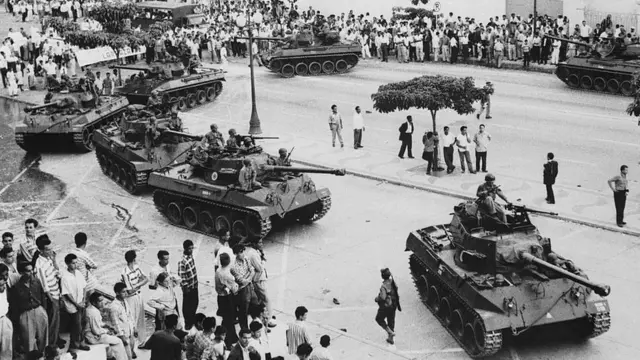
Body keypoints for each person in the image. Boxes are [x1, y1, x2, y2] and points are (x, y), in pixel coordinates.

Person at [10, 261, 49, 353]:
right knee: (28, 340)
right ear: (21, 273)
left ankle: (43, 355)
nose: (31, 273)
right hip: (26, 313)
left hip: (39, 310)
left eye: (32, 270)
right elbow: (15, 305)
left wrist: (44, 310)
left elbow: (42, 296)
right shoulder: (16, 287)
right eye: (28, 271)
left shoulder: (37, 281)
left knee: (43, 337)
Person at [84, 292, 127, 360]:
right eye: (100, 301)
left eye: (102, 300)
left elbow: (98, 323)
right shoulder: (93, 312)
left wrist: (108, 327)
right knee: (119, 341)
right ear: (94, 302)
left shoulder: (91, 309)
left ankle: (111, 357)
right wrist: (107, 331)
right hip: (93, 337)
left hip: (93, 335)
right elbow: (96, 331)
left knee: (113, 337)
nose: (102, 303)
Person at [61, 253, 90, 351]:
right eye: (73, 263)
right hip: (74, 306)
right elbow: (66, 294)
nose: (75, 265)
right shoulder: (65, 277)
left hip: (82, 303)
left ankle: (81, 342)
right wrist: (77, 304)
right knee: (76, 325)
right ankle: (73, 345)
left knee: (83, 323)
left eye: (76, 263)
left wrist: (84, 300)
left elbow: (84, 287)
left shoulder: (78, 273)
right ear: (67, 264)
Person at [121, 250, 149, 350]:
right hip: (131, 298)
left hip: (138, 295)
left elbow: (146, 279)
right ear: (134, 259)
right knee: (131, 321)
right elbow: (129, 291)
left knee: (140, 319)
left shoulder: (136, 268)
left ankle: (142, 342)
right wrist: (139, 284)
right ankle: (131, 347)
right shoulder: (125, 273)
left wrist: (136, 285)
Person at [106, 282, 135, 360]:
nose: (126, 293)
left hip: (129, 332)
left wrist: (134, 328)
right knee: (126, 356)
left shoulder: (125, 302)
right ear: (117, 293)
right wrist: (121, 336)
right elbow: (115, 323)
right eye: (123, 292)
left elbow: (130, 315)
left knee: (130, 355)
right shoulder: (113, 307)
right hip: (123, 335)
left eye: (126, 291)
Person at [215, 253, 238, 347]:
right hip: (227, 298)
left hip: (220, 297)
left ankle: (230, 337)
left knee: (226, 319)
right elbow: (234, 288)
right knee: (229, 320)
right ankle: (228, 341)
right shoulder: (227, 274)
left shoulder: (218, 270)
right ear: (228, 261)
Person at [230, 244, 254, 331]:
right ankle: (244, 328)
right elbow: (241, 280)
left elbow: (252, 270)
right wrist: (248, 276)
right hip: (243, 289)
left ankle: (257, 324)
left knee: (256, 305)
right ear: (236, 254)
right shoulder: (233, 267)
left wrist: (247, 277)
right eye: (240, 252)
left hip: (250, 286)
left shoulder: (246, 259)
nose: (243, 253)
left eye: (243, 251)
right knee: (243, 310)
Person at [375, 268, 401, 345]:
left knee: (379, 319)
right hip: (394, 304)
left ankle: (389, 332)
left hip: (386, 306)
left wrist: (377, 299)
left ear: (382, 276)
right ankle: (391, 339)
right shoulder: (393, 282)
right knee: (391, 320)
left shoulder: (383, 286)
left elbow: (383, 297)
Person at [178, 239, 199, 330]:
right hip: (188, 288)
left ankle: (192, 318)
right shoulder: (182, 261)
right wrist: (186, 289)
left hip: (194, 285)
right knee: (187, 306)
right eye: (189, 249)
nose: (191, 250)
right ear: (185, 249)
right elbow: (182, 276)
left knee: (195, 303)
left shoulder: (190, 256)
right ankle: (188, 322)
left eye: (192, 248)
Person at [0, 263, 12, 360]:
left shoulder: (5, 287)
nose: (5, 278)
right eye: (2, 276)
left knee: (7, 349)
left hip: (4, 319)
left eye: (6, 275)